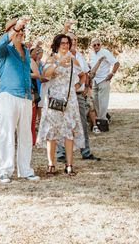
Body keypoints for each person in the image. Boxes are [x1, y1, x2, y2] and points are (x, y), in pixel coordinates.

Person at [0, 17, 40, 183]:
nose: (20, 33)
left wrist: (31, 94)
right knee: (7, 134)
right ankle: (4, 171)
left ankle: (26, 170)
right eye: (16, 30)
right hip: (8, 96)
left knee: (26, 135)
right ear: (10, 32)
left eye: (22, 30)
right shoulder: (4, 50)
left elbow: (28, 74)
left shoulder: (26, 52)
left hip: (26, 97)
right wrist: (16, 26)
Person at [37, 34, 85, 177]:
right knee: (52, 131)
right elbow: (46, 75)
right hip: (54, 100)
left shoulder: (73, 61)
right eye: (62, 43)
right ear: (57, 45)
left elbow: (83, 75)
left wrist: (76, 87)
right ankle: (51, 164)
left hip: (69, 101)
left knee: (69, 131)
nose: (65, 45)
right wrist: (59, 62)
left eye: (67, 43)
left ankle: (69, 165)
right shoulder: (52, 59)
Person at [56, 24, 100, 162]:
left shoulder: (79, 56)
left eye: (75, 40)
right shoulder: (60, 56)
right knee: (62, 124)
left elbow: (85, 74)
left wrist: (83, 86)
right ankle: (61, 154)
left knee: (82, 124)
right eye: (70, 40)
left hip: (79, 95)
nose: (73, 42)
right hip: (64, 96)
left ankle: (85, 152)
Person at [88, 38, 119, 131]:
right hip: (94, 80)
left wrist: (112, 74)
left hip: (104, 79)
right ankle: (98, 120)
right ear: (91, 46)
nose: (97, 46)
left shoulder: (105, 52)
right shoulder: (92, 54)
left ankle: (103, 121)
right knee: (95, 101)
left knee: (103, 102)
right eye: (94, 45)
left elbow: (116, 63)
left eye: (98, 44)